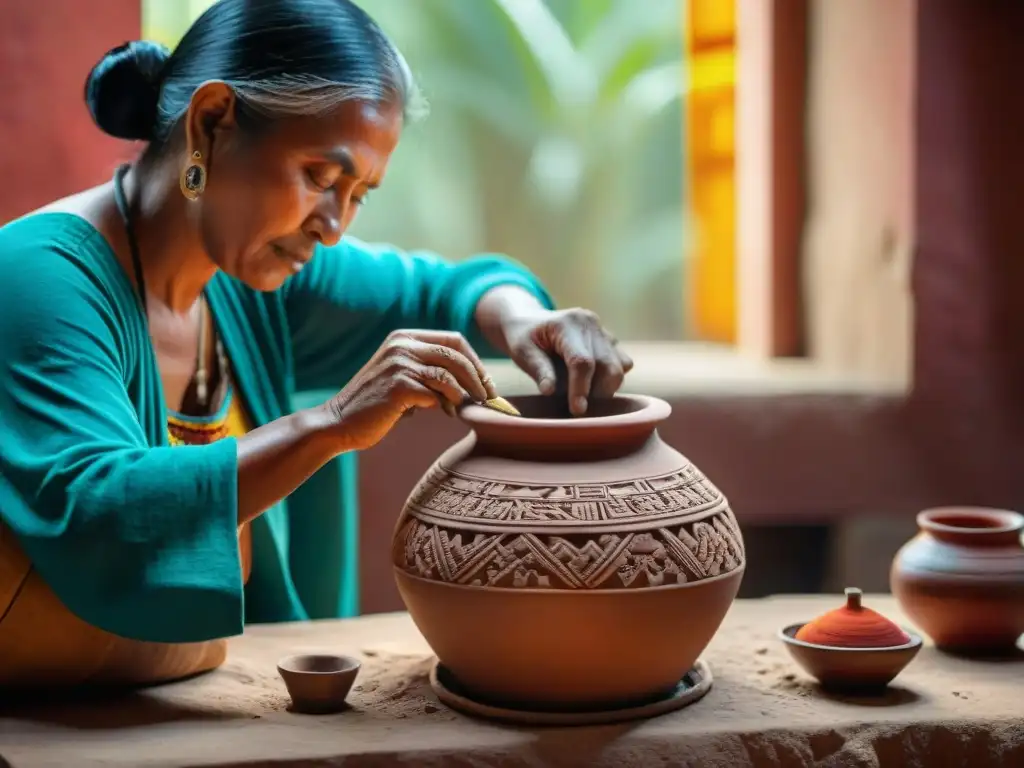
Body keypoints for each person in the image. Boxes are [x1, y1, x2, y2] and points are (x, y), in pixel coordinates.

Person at [0, 0, 632, 688]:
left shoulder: (251, 274)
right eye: (321, 178)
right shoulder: (40, 277)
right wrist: (328, 426)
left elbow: (442, 290)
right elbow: (95, 510)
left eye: (358, 193)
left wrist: (521, 319)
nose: (332, 226)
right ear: (212, 124)